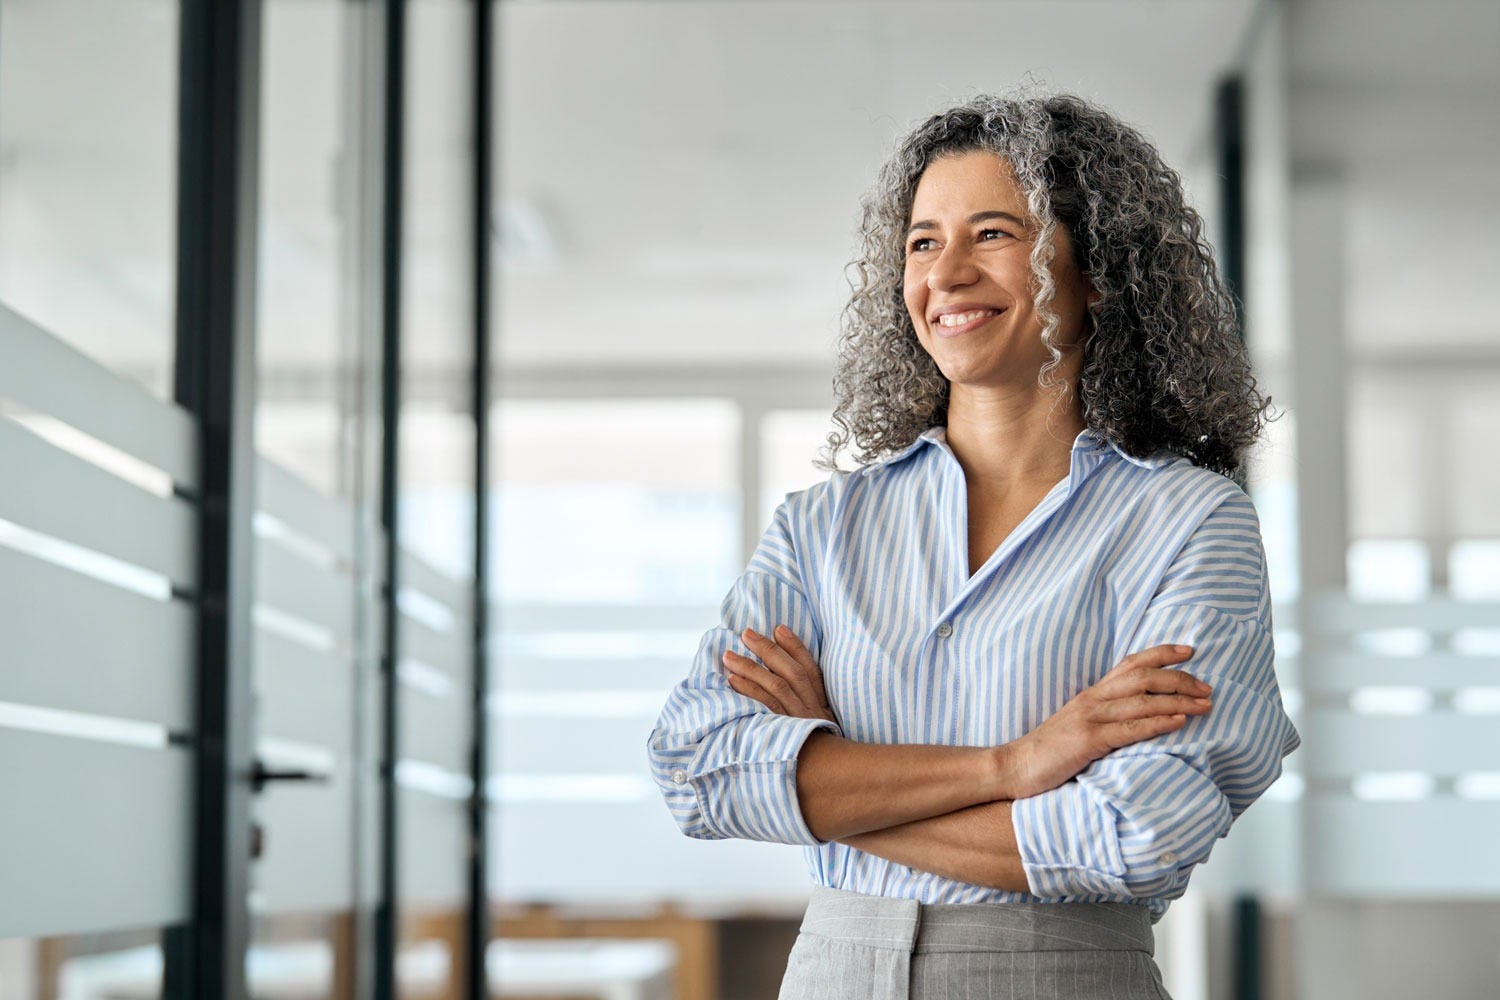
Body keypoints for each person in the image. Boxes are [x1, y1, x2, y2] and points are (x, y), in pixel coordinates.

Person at [646, 91, 1300, 999]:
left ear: (1098, 270)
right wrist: (1015, 767)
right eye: (922, 241)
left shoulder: (1190, 524)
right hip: (835, 971)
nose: (945, 273)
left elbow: (1134, 831)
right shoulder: (820, 527)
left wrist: (826, 785)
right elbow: (701, 768)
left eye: (993, 233)